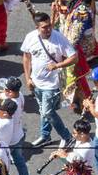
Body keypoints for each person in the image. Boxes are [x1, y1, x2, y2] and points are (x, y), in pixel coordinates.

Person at [21, 13, 77, 149]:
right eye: (44, 27)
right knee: (43, 110)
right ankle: (45, 136)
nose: (48, 30)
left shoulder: (59, 38)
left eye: (49, 26)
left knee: (47, 112)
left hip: (52, 85)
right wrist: (28, 78)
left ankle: (67, 137)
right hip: (36, 82)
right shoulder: (30, 37)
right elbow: (26, 57)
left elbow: (74, 57)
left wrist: (57, 66)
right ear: (37, 27)